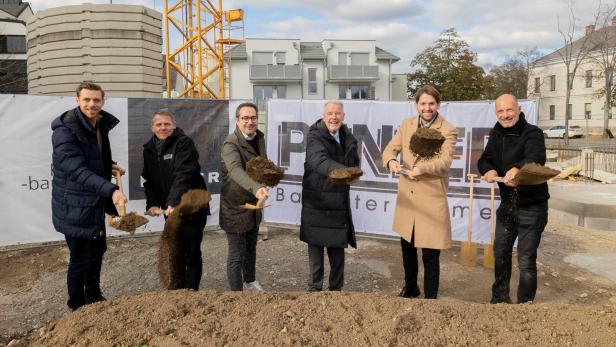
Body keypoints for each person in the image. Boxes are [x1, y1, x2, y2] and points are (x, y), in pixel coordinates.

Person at [51, 82, 127, 311]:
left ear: (102, 101)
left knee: (97, 250)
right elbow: (77, 170)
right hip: (74, 204)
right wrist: (111, 190)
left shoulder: (99, 124)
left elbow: (93, 156)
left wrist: (109, 165)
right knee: (80, 258)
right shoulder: (65, 131)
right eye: (86, 100)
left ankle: (93, 296)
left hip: (93, 202)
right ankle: (76, 306)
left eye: (96, 100)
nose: (91, 104)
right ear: (77, 100)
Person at [382, 85, 458, 299]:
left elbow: (444, 162)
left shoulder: (448, 129)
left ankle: (430, 298)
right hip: (408, 198)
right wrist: (391, 162)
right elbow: (390, 150)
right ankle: (411, 288)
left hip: (431, 198)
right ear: (416, 105)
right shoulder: (407, 125)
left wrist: (421, 169)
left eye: (431, 103)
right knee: (407, 247)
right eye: (423, 103)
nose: (427, 108)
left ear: (438, 105)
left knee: (430, 254)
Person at [478, 94, 549, 304]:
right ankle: (499, 301)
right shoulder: (496, 133)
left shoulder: (533, 133)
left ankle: (524, 307)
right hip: (508, 205)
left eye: (509, 110)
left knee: (526, 260)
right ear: (496, 113)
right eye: (500, 111)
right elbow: (485, 159)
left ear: (518, 109)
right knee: (500, 252)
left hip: (532, 207)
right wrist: (489, 169)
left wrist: (518, 169)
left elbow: (535, 157)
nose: (505, 115)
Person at [142, 109, 210, 290]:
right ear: (152, 127)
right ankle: (178, 290)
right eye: (159, 124)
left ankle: (191, 291)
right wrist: (153, 204)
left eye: (167, 124)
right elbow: (149, 180)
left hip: (192, 207)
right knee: (175, 251)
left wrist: (172, 202)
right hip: (171, 212)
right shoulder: (148, 149)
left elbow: (184, 174)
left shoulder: (184, 143)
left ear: (174, 126)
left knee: (192, 252)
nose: (163, 127)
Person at [300, 100, 360, 291]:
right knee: (316, 247)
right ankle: (314, 289)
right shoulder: (314, 136)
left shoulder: (348, 137)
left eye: (337, 113)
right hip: (317, 200)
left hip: (338, 202)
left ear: (343, 116)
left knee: (337, 250)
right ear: (324, 116)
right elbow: (319, 161)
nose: (334, 117)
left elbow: (354, 162)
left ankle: (335, 291)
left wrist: (353, 172)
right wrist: (345, 172)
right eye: (330, 114)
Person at [220, 102, 269, 291]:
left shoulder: (259, 138)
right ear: (237, 120)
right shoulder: (230, 144)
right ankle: (236, 293)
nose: (250, 122)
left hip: (254, 205)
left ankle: (250, 280)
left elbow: (260, 166)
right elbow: (235, 170)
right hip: (235, 206)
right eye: (245, 118)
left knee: (251, 247)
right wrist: (256, 188)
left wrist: (266, 181)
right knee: (236, 254)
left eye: (253, 118)